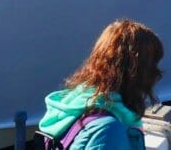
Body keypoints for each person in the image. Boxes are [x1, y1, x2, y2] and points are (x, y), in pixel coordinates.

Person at [39, 19, 164, 150]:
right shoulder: (109, 131)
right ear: (135, 70)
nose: (157, 73)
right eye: (152, 65)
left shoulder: (76, 102)